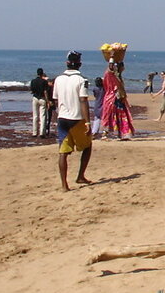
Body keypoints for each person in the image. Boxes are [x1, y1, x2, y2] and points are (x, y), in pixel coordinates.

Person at [53, 50, 93, 191]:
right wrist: (88, 122)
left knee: (63, 152)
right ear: (80, 64)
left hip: (62, 118)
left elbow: (56, 99)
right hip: (77, 119)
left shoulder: (58, 79)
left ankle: (64, 185)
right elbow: (83, 101)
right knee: (87, 147)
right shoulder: (81, 80)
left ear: (67, 63)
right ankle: (80, 175)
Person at [100, 61, 135, 141]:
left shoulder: (118, 77)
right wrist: (112, 59)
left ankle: (121, 133)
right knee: (111, 116)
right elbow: (109, 70)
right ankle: (105, 134)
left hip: (119, 99)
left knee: (120, 116)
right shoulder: (112, 76)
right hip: (113, 99)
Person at [30, 68, 51, 138]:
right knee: (43, 116)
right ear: (42, 73)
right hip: (42, 98)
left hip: (35, 98)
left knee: (35, 116)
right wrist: (48, 101)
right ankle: (42, 133)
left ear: (37, 73)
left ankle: (34, 132)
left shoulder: (33, 81)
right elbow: (45, 92)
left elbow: (32, 91)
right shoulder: (44, 82)